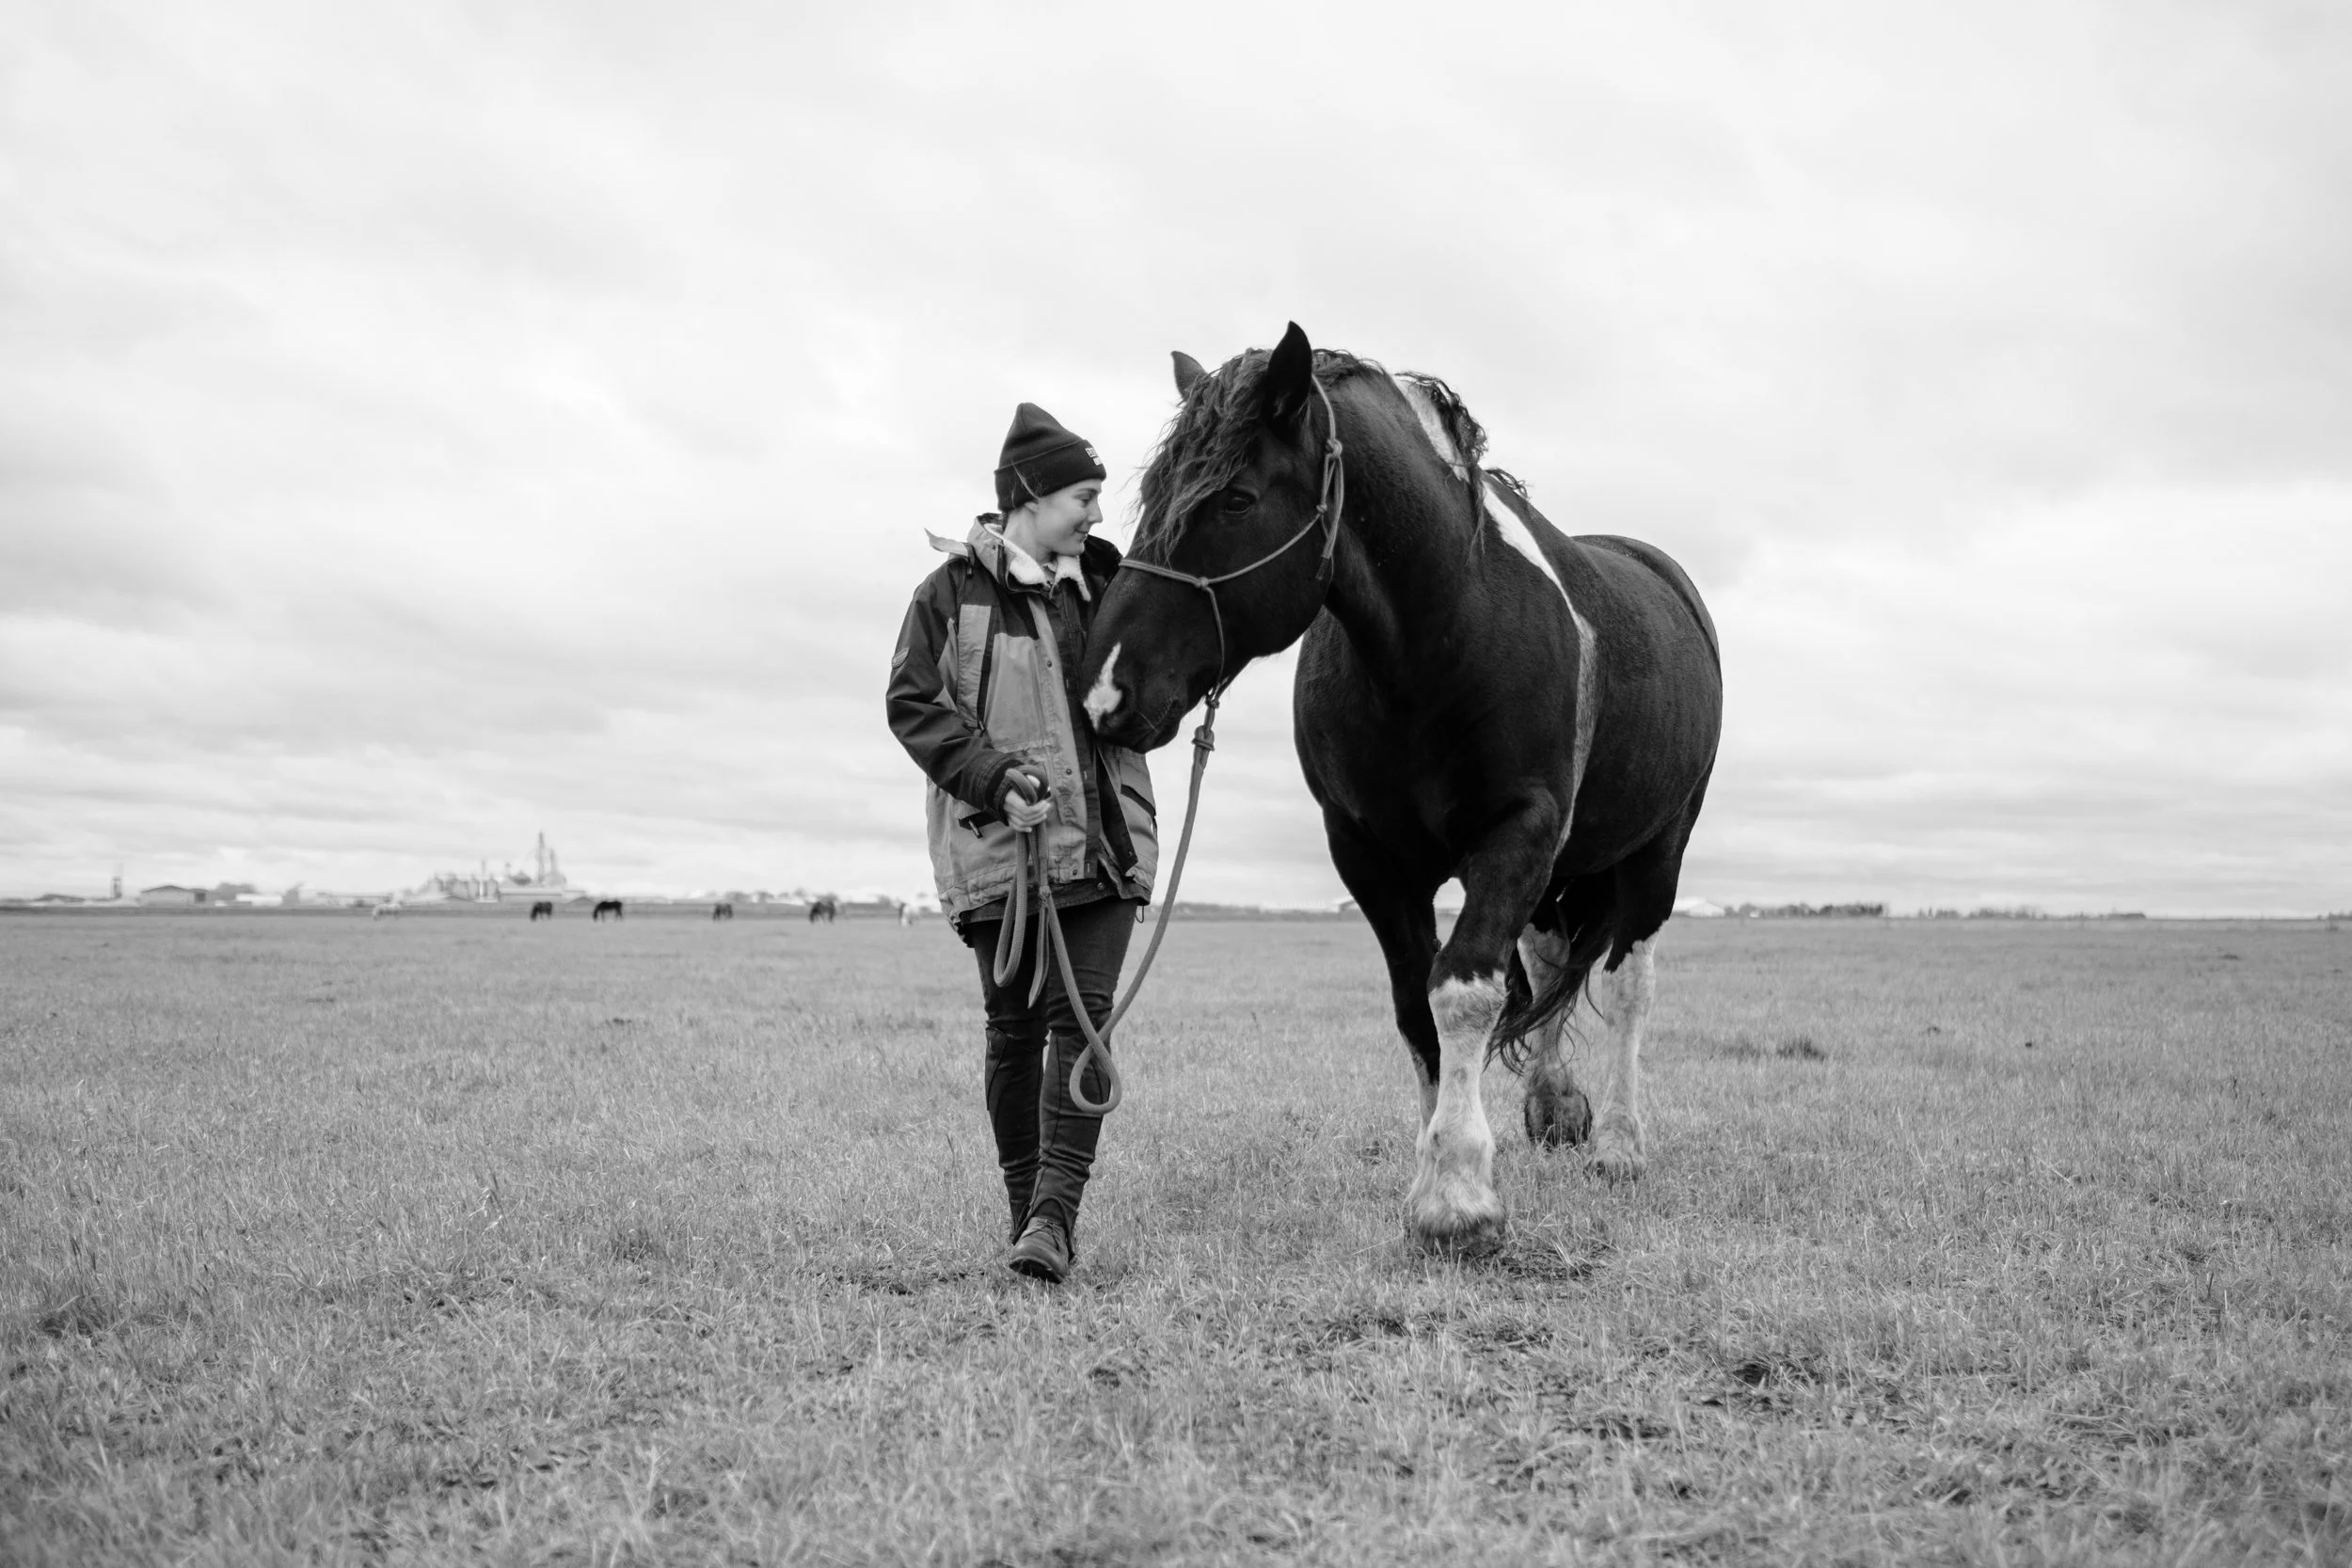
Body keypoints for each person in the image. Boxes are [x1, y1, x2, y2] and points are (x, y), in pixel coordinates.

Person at [885, 404, 1159, 1283]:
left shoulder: (1113, 585)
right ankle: (1024, 1212)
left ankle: (1054, 1217)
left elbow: (1152, 687)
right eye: (1085, 495)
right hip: (1000, 851)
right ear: (1033, 495)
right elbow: (914, 706)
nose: (1095, 515)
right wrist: (995, 776)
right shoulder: (947, 596)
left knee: (1082, 1021)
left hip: (1106, 846)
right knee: (1012, 1032)